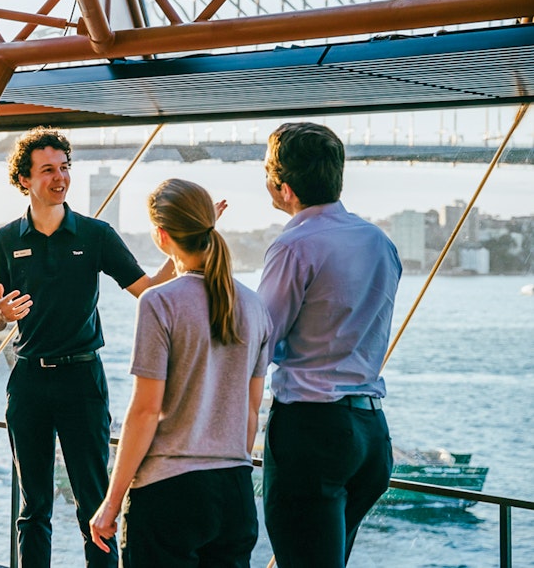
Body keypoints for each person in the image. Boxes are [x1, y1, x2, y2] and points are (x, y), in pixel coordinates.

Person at [0, 126, 176, 568]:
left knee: (94, 503)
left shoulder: (95, 235)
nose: (60, 178)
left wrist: (187, 247)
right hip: (28, 380)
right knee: (33, 509)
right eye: (47, 169)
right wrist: (0, 316)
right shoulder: (6, 241)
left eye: (64, 168)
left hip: (82, 380)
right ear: (24, 180)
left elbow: (148, 291)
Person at [88, 178, 271, 567]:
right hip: (235, 494)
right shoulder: (255, 307)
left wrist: (112, 501)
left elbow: (145, 411)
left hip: (169, 495)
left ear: (161, 234)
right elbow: (252, 413)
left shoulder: (159, 302)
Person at [258, 122, 401, 568]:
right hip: (370, 436)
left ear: (283, 187)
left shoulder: (294, 246)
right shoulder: (380, 242)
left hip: (312, 432)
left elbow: (261, 340)